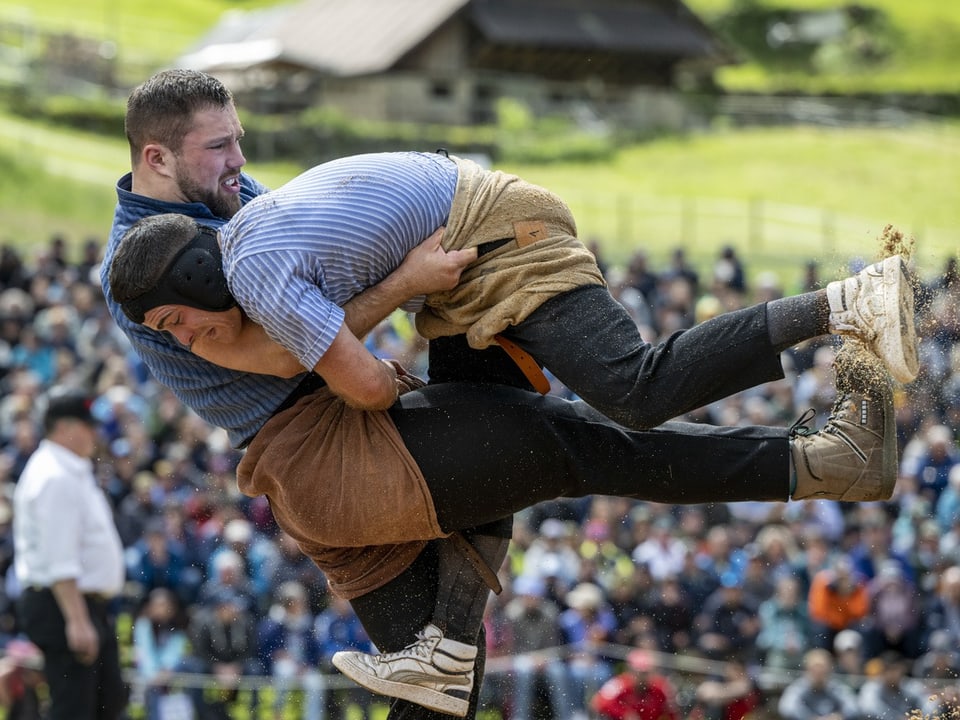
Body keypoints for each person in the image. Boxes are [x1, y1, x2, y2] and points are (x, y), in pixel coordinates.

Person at [105, 70, 910, 718]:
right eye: (218, 148)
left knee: (445, 673)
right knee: (583, 442)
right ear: (156, 160)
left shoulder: (228, 216)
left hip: (344, 441)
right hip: (337, 444)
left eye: (238, 141)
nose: (238, 162)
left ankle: (828, 446)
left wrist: (397, 292)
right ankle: (825, 444)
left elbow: (317, 308)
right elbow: (294, 356)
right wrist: (407, 282)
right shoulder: (149, 277)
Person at [12, 390, 127, 720]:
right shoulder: (54, 475)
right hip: (64, 604)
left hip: (79, 603)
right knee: (75, 709)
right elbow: (59, 555)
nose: (95, 433)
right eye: (88, 425)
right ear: (63, 428)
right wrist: (77, 620)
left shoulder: (68, 469)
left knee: (107, 702)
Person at [589, 648, 679, 720]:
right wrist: (624, 713)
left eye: (645, 672)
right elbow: (597, 702)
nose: (642, 677)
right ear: (630, 671)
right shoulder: (619, 684)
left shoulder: (660, 687)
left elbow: (671, 713)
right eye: (639, 672)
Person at [778, 648, 860, 720]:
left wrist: (840, 716)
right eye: (815, 669)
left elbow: (853, 707)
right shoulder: (799, 687)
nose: (818, 673)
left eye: (822, 669)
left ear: (829, 670)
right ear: (807, 669)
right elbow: (787, 707)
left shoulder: (835, 687)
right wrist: (809, 718)